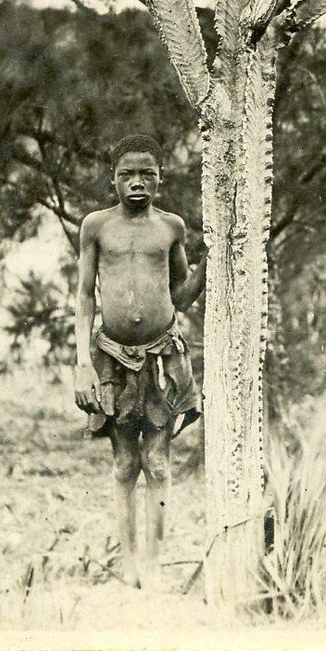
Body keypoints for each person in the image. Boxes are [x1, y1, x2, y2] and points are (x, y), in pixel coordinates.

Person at [74, 133, 206, 589]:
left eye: (146, 174)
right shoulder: (96, 226)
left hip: (161, 358)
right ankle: (127, 563)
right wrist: (81, 363)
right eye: (127, 174)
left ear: (160, 179)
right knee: (125, 465)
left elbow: (182, 296)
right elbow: (84, 298)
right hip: (112, 357)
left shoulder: (170, 227)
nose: (137, 183)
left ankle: (153, 563)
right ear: (112, 179)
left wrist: (209, 260)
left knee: (159, 464)